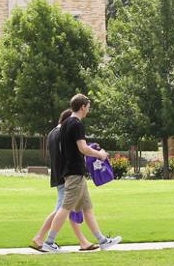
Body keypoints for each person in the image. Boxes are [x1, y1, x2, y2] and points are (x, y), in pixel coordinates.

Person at [41, 94, 121, 253]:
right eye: (88, 107)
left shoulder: (65, 124)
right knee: (65, 208)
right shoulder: (77, 124)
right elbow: (83, 148)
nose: (88, 111)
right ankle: (49, 242)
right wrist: (100, 155)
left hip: (73, 172)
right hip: (74, 173)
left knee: (87, 208)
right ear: (83, 106)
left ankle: (102, 240)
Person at [30, 109, 98, 252]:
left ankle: (83, 242)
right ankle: (40, 237)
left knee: (70, 209)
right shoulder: (64, 133)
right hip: (67, 175)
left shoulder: (52, 133)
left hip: (57, 174)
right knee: (63, 208)